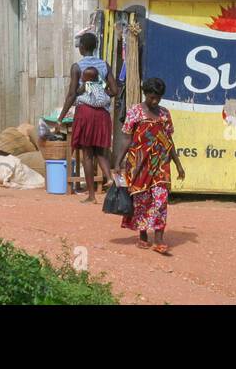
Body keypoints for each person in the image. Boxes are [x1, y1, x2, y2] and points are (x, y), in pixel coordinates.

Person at [117, 77, 185, 255]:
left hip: (161, 164)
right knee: (142, 200)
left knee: (161, 200)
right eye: (151, 97)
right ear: (145, 94)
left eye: (158, 98)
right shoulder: (135, 112)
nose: (155, 101)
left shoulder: (164, 114)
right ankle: (143, 235)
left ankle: (159, 239)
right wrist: (118, 161)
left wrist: (178, 164)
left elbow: (168, 140)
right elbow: (126, 138)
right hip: (139, 163)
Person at [57, 31, 118, 204]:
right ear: (96, 47)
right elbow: (114, 91)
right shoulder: (104, 65)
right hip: (102, 114)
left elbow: (71, 94)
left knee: (87, 154)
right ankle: (110, 179)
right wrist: (101, 94)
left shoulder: (77, 67)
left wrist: (61, 118)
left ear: (82, 48)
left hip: (85, 114)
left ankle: (91, 195)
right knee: (101, 152)